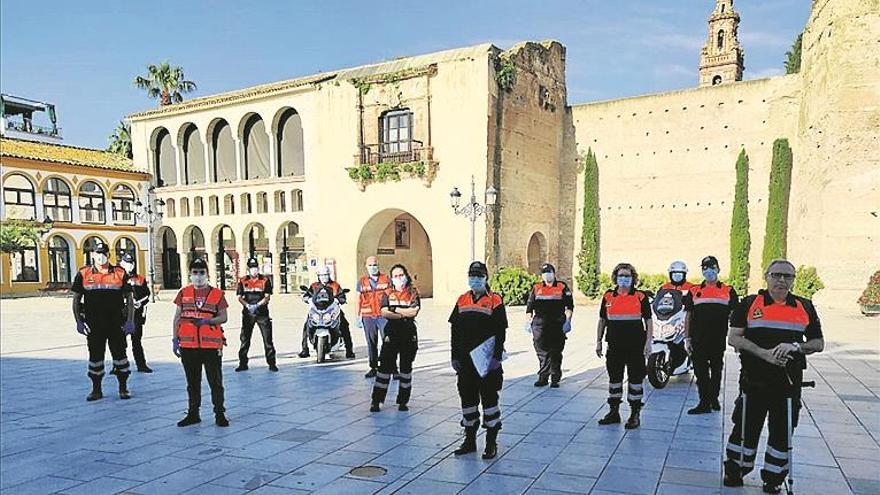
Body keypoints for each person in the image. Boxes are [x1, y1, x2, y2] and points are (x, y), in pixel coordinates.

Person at [723, 259, 824, 494]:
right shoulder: (749, 303)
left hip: (788, 384)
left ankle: (774, 478)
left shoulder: (804, 307)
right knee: (745, 427)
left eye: (787, 276)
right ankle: (736, 470)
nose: (781, 280)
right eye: (776, 275)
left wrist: (796, 347)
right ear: (766, 276)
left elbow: (818, 343)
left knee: (782, 432)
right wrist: (764, 354)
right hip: (754, 380)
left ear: (793, 280)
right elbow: (734, 338)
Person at [449, 261, 507, 460]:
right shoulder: (462, 300)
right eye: (472, 275)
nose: (474, 279)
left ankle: (491, 442)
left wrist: (497, 357)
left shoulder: (495, 301)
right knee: (468, 401)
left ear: (485, 277)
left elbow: (501, 332)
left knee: (490, 402)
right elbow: (454, 331)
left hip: (486, 362)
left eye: (478, 275)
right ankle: (469, 440)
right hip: (465, 362)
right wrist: (454, 356)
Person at [71, 242, 136, 401]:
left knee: (120, 356)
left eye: (104, 253)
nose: (101, 256)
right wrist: (79, 321)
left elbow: (129, 298)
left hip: (116, 323)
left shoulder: (120, 273)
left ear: (109, 255)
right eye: (97, 253)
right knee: (95, 357)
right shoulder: (84, 273)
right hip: (94, 324)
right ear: (92, 254)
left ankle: (123, 388)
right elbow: (76, 299)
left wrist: (130, 321)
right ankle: (96, 390)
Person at [173, 257, 230, 427]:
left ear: (207, 274)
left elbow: (224, 317)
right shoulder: (184, 293)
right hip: (188, 345)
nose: (198, 276)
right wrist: (175, 339)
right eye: (195, 273)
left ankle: (219, 413)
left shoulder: (217, 294)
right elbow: (177, 317)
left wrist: (208, 322)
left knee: (215, 382)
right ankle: (193, 413)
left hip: (211, 346)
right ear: (190, 274)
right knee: (192, 382)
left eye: (201, 273)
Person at [595, 262, 653, 429]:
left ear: (633, 278)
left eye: (627, 276)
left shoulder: (640, 297)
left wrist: (648, 342)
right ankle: (614, 412)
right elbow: (602, 320)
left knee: (635, 381)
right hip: (614, 346)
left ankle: (635, 414)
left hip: (636, 347)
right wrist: (598, 341)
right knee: (614, 380)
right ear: (615, 277)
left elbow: (648, 321)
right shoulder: (608, 296)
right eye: (621, 275)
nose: (624, 279)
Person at [684, 255, 738, 414]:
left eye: (712, 267)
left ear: (718, 269)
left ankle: (713, 398)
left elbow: (735, 315)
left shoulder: (728, 290)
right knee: (700, 372)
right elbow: (688, 316)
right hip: (698, 339)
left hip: (717, 338)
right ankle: (703, 402)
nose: (709, 271)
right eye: (705, 268)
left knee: (716, 370)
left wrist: (737, 339)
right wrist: (687, 338)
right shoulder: (695, 291)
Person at [370, 264, 421, 412]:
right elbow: (384, 312)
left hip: (408, 334)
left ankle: (403, 401)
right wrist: (402, 313)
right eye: (396, 276)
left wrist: (396, 310)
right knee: (384, 368)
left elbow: (414, 311)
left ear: (406, 275)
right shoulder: (387, 293)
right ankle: (377, 401)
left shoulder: (412, 293)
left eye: (401, 275)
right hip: (391, 333)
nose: (399, 278)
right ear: (391, 278)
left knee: (406, 369)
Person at [525, 263, 574, 388]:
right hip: (539, 325)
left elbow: (569, 306)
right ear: (541, 276)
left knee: (555, 352)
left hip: (557, 324)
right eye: (544, 273)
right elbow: (529, 307)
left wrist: (568, 321)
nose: (547, 275)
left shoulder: (562, 287)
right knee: (541, 351)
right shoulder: (536, 288)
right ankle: (543, 376)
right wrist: (527, 321)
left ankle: (555, 377)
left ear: (554, 273)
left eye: (549, 272)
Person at [299, 266, 355, 359]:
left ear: (329, 275)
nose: (324, 277)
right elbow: (307, 294)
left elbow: (342, 296)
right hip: (317, 309)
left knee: (344, 325)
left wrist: (339, 299)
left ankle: (349, 350)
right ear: (318, 276)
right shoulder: (314, 286)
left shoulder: (335, 285)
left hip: (332, 309)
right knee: (306, 325)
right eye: (322, 275)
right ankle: (305, 349)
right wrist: (307, 298)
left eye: (326, 275)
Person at [235, 257, 278, 372]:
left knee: (267, 339)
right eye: (252, 268)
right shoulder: (243, 280)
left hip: (262, 313)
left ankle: (272, 363)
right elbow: (239, 297)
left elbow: (267, 297)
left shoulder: (265, 280)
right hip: (248, 313)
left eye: (256, 268)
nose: (254, 270)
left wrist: (258, 305)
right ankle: (243, 363)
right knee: (245, 339)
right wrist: (248, 305)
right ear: (248, 269)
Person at [356, 256, 390, 378]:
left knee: (387, 341)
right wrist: (358, 316)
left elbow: (392, 296)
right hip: (368, 316)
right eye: (370, 265)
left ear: (378, 265)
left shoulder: (385, 279)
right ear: (366, 266)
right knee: (371, 343)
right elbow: (358, 299)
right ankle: (373, 367)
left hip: (383, 315)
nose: (373, 267)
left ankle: (391, 367)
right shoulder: (362, 281)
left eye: (374, 265)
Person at [120, 253, 152, 373]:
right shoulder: (118, 278)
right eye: (127, 263)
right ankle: (119, 365)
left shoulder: (140, 279)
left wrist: (140, 303)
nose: (129, 265)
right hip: (122, 315)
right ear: (122, 264)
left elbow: (147, 295)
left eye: (131, 263)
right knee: (120, 342)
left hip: (137, 315)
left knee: (136, 341)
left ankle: (141, 365)